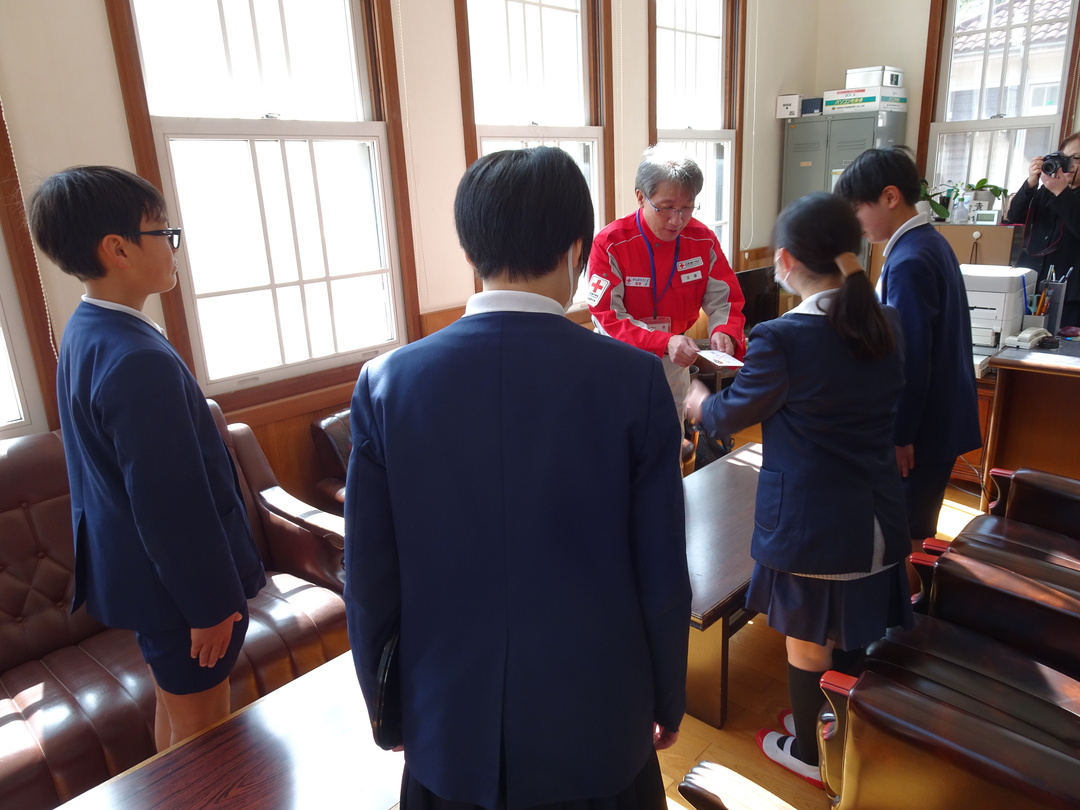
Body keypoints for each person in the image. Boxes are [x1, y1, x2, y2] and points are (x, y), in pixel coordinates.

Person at [344, 146, 691, 810]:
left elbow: (369, 580)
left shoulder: (387, 384)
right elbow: (661, 572)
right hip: (598, 724)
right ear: (576, 250)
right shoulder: (633, 381)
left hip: (448, 724)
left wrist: (388, 711)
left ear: (469, 249)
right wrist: (667, 698)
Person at [26, 166, 266, 751]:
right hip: (180, 594)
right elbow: (169, 503)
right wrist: (208, 608)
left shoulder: (87, 328)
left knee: (178, 719)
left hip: (147, 581)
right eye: (164, 233)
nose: (173, 246)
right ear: (118, 249)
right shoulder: (136, 359)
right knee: (204, 740)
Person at [684, 191, 912, 788]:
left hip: (815, 527)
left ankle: (810, 753)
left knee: (808, 645)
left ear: (784, 260)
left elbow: (731, 415)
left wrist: (701, 401)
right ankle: (837, 725)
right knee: (855, 628)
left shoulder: (783, 337)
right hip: (879, 517)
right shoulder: (885, 322)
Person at [835, 147, 981, 558]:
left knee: (905, 535)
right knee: (914, 526)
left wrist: (900, 436)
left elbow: (909, 358)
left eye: (857, 209)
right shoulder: (929, 242)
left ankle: (909, 598)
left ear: (890, 197)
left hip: (921, 429)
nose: (855, 222)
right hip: (939, 418)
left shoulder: (909, 260)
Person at [586, 145, 746, 419]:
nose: (677, 220)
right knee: (622, 434)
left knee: (671, 431)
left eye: (687, 208)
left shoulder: (702, 239)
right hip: (621, 357)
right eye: (666, 207)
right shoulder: (611, 243)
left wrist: (724, 330)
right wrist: (662, 341)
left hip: (675, 359)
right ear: (641, 197)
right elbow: (607, 316)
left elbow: (726, 298)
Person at [1004, 131, 1080, 327]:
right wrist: (1031, 183)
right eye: (1065, 157)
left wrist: (1061, 191)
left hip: (1070, 292)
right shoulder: (1046, 190)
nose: (1069, 164)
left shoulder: (1057, 189)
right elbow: (1014, 216)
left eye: (1077, 158)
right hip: (1031, 284)